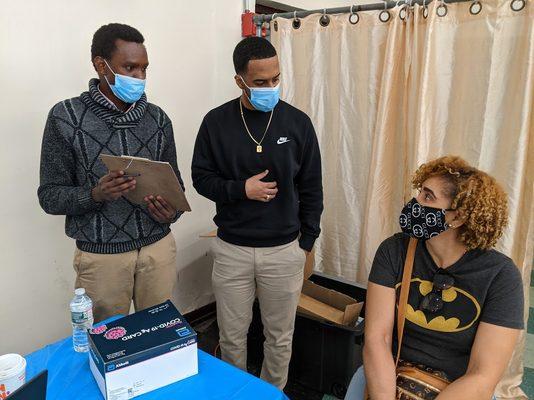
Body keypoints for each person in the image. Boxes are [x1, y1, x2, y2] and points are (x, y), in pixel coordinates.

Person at [191, 36, 323, 389]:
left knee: (279, 338)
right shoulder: (215, 123)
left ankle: (271, 394)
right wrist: (240, 189)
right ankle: (235, 393)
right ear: (240, 81)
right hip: (232, 248)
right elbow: (201, 179)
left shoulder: (298, 123)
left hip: (284, 251)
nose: (270, 88)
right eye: (260, 83)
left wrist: (306, 242)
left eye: (276, 79)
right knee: (233, 338)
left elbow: (313, 187)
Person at [38, 23, 184, 322]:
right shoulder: (65, 117)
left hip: (158, 249)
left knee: (160, 336)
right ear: (100, 65)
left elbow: (176, 186)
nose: (139, 78)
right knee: (106, 344)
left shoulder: (157, 119)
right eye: (130, 68)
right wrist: (95, 194)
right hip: (101, 259)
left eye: (144, 69)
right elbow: (50, 196)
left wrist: (170, 212)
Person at [345, 156, 524, 400]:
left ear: (458, 217)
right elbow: (377, 338)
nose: (415, 202)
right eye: (419, 192)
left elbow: (483, 375)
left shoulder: (501, 275)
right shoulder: (394, 250)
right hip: (391, 373)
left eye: (428, 197)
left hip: (459, 389)